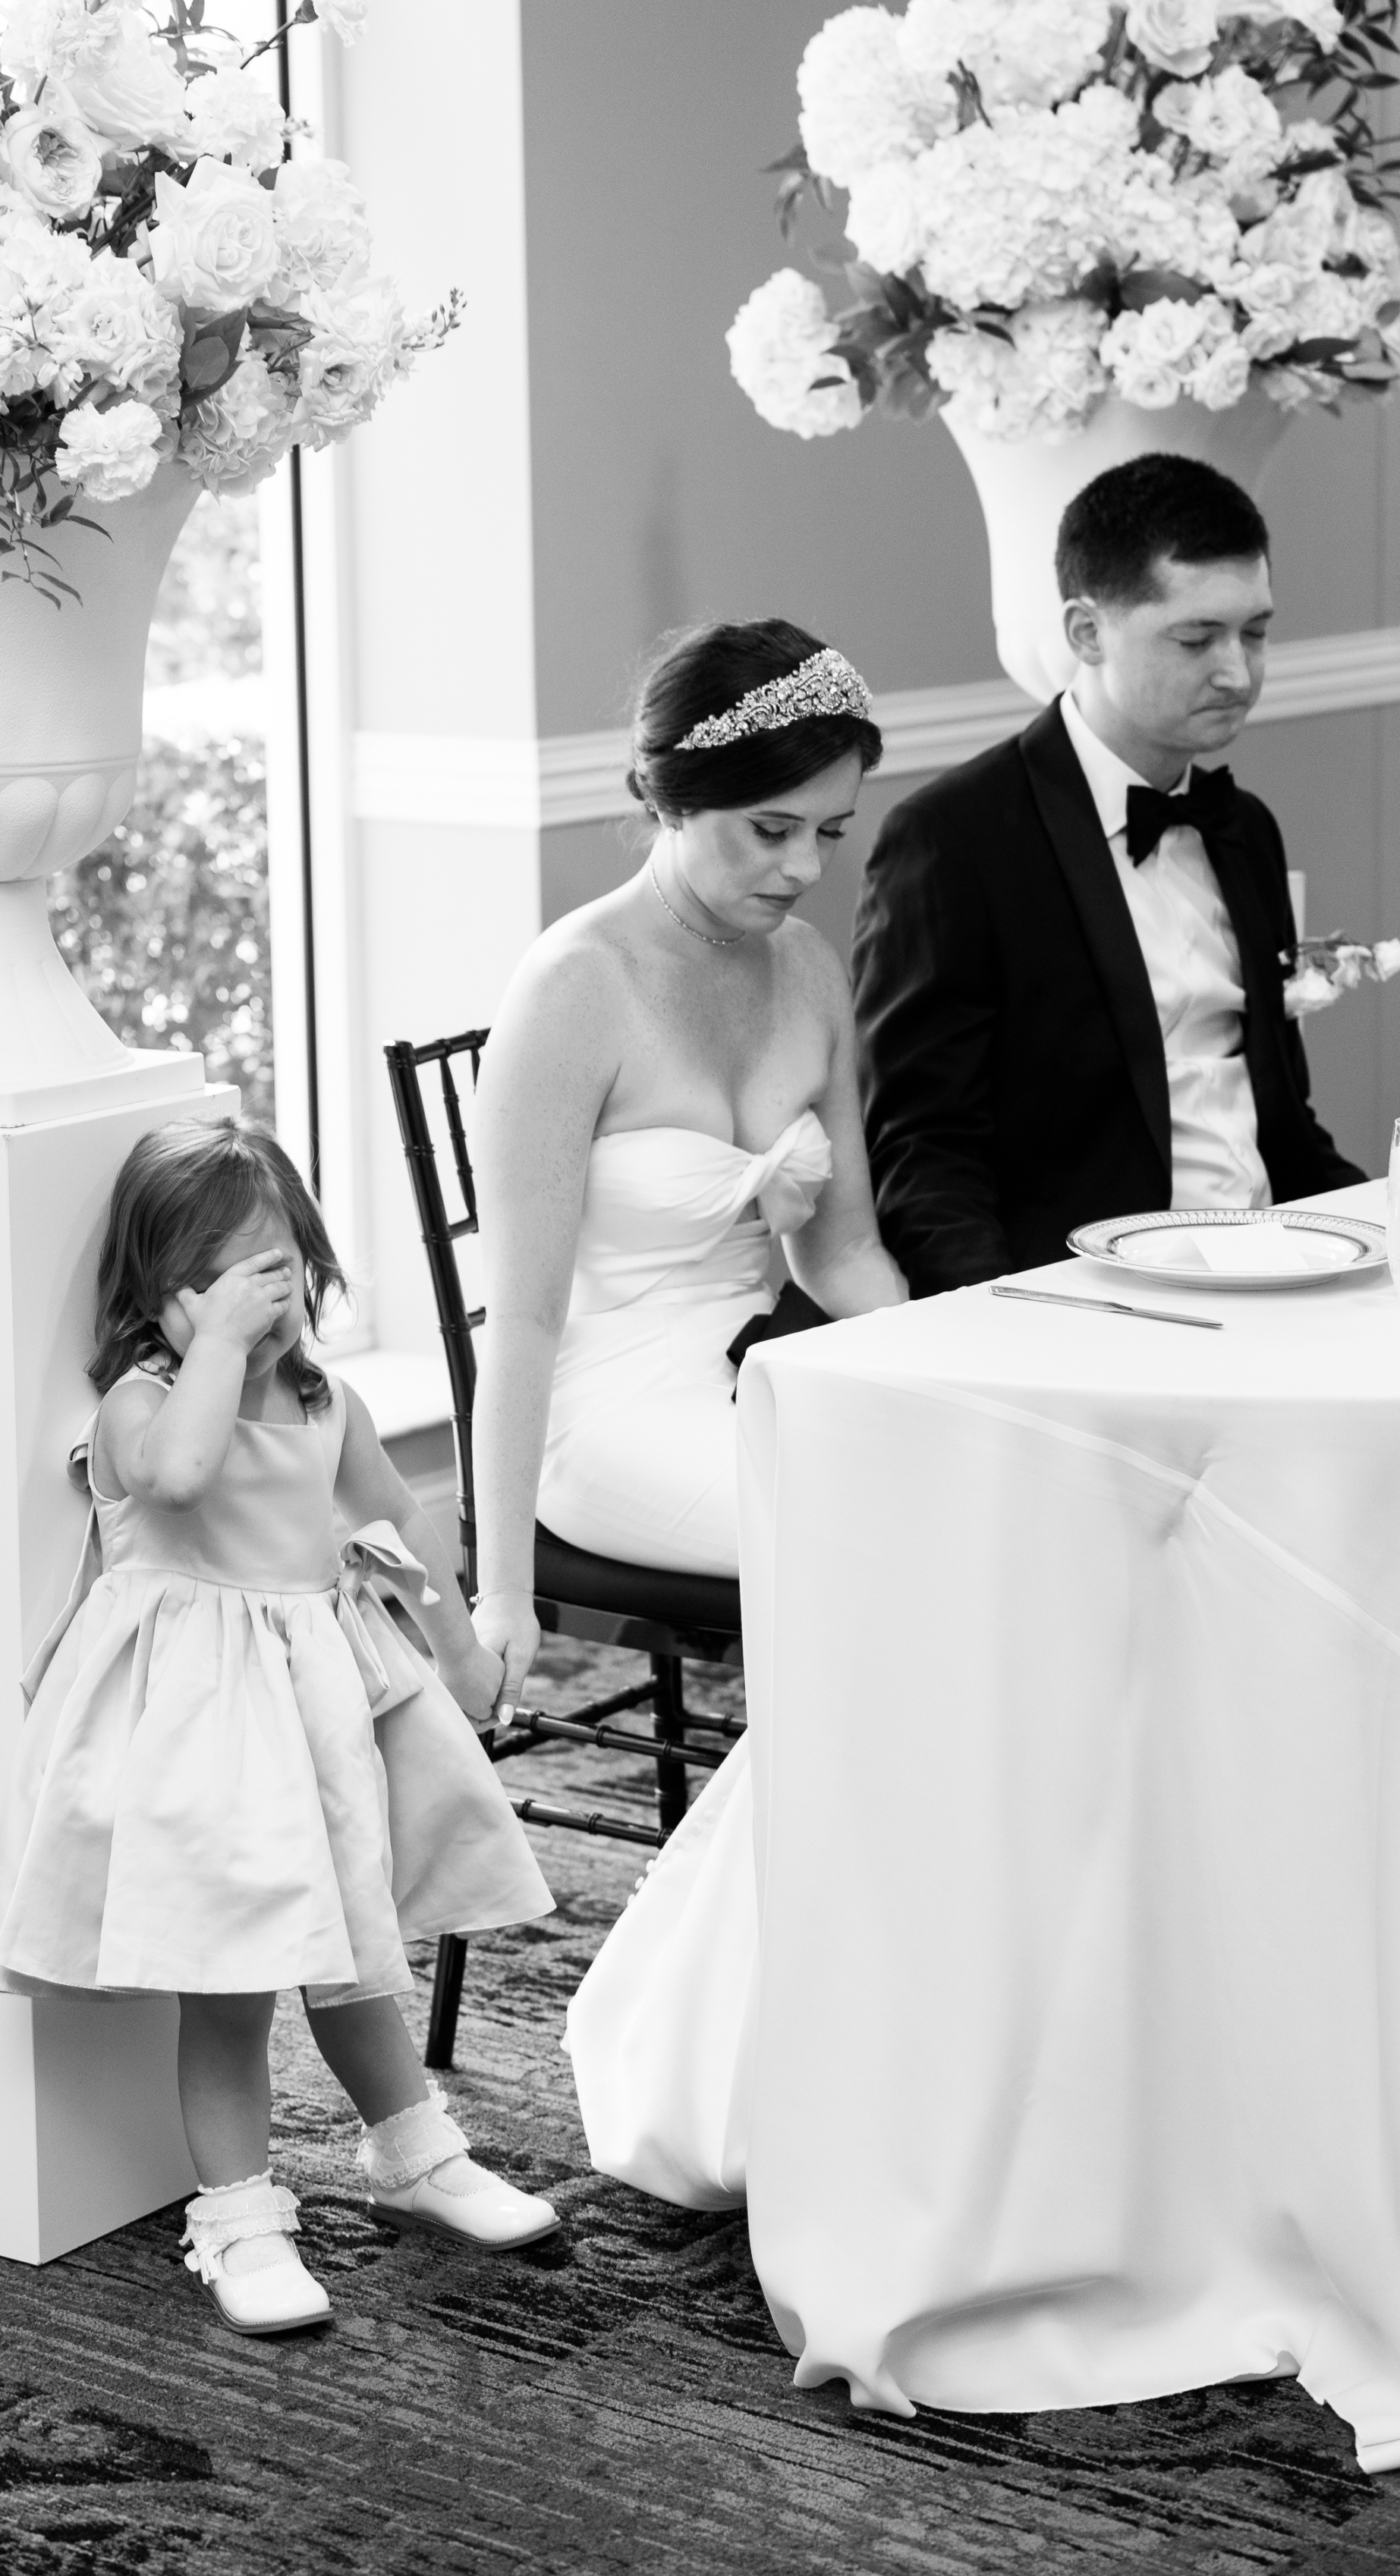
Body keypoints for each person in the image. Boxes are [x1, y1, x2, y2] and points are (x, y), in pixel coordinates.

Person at [0, 1120, 558, 2339]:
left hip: (321, 1711)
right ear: (160, 1293)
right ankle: (238, 2216)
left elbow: (397, 1528)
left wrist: (456, 1645)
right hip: (207, 1737)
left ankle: (411, 2149)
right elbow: (180, 1479)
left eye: (282, 1263)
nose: (268, 1293)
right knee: (236, 1985)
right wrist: (214, 1355)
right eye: (230, 1276)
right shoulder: (141, 1407)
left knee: (354, 1955)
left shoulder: (321, 1400)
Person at [469, 620, 905, 2207]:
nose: (802, 868)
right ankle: (741, 2050)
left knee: (967, 1516)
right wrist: (499, 1585)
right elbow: (514, 1317)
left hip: (752, 1373)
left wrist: (948, 1390)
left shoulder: (808, 968)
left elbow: (841, 1249)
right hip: (603, 1419)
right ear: (671, 796)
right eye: (768, 829)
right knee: (885, 1567)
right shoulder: (573, 988)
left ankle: (897, 1999)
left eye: (831, 834)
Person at [851, 454, 1363, 1296]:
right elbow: (922, 1150)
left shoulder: (1245, 830)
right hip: (1087, 1300)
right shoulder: (952, 840)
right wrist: (1009, 1326)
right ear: (1086, 632)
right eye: (1197, 638)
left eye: (1256, 631)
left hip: (1275, 1272)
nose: (1238, 671)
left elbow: (1282, 1124)